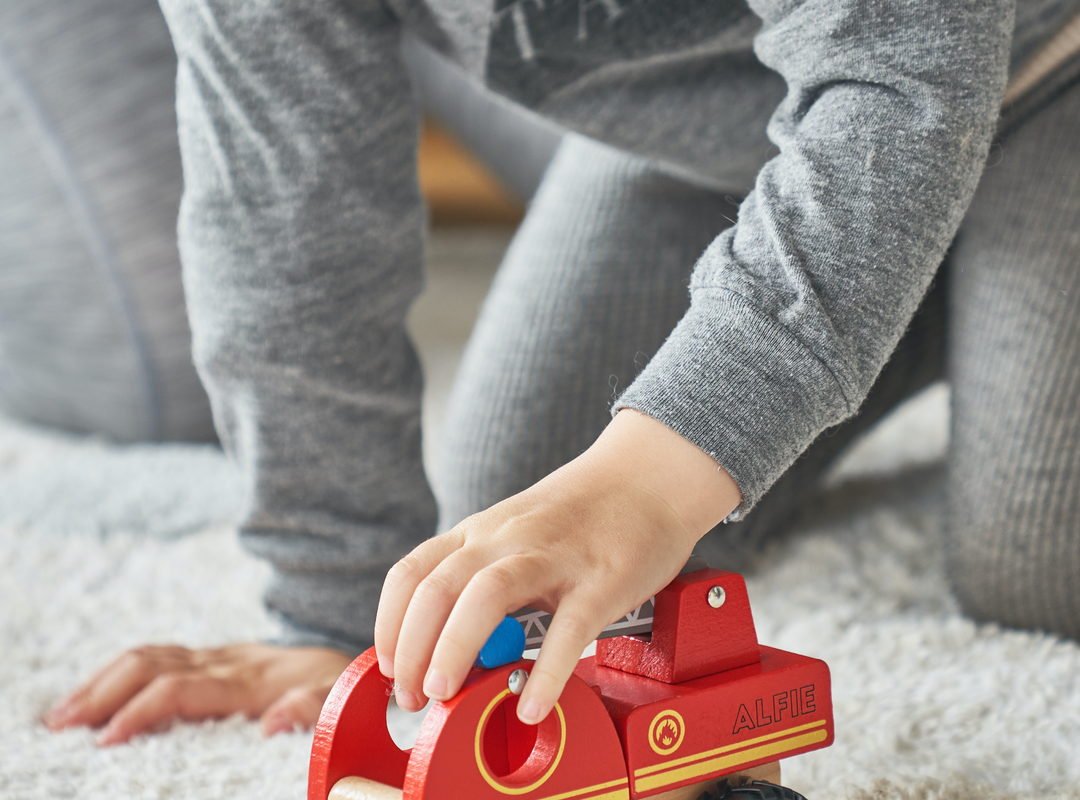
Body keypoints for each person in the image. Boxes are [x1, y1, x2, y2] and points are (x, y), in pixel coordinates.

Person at [31, 0, 1080, 745]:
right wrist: (332, 604)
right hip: (723, 147)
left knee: (1037, 561)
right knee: (509, 555)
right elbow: (284, 201)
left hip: (1041, 71)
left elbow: (898, 81)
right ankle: (898, 295)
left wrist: (662, 470)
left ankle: (890, 286)